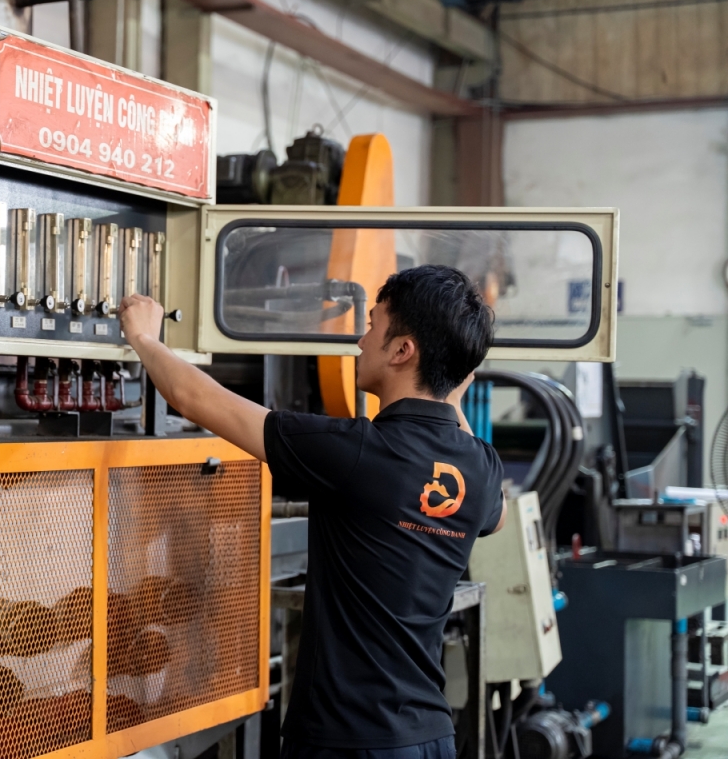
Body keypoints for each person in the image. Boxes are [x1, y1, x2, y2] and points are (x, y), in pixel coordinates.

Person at [118, 264, 506, 759]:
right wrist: (451, 395)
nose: (360, 342)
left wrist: (145, 338)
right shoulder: (482, 467)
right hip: (431, 736)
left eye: (373, 327)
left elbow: (192, 398)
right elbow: (496, 518)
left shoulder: (357, 452)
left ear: (402, 351)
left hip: (347, 740)